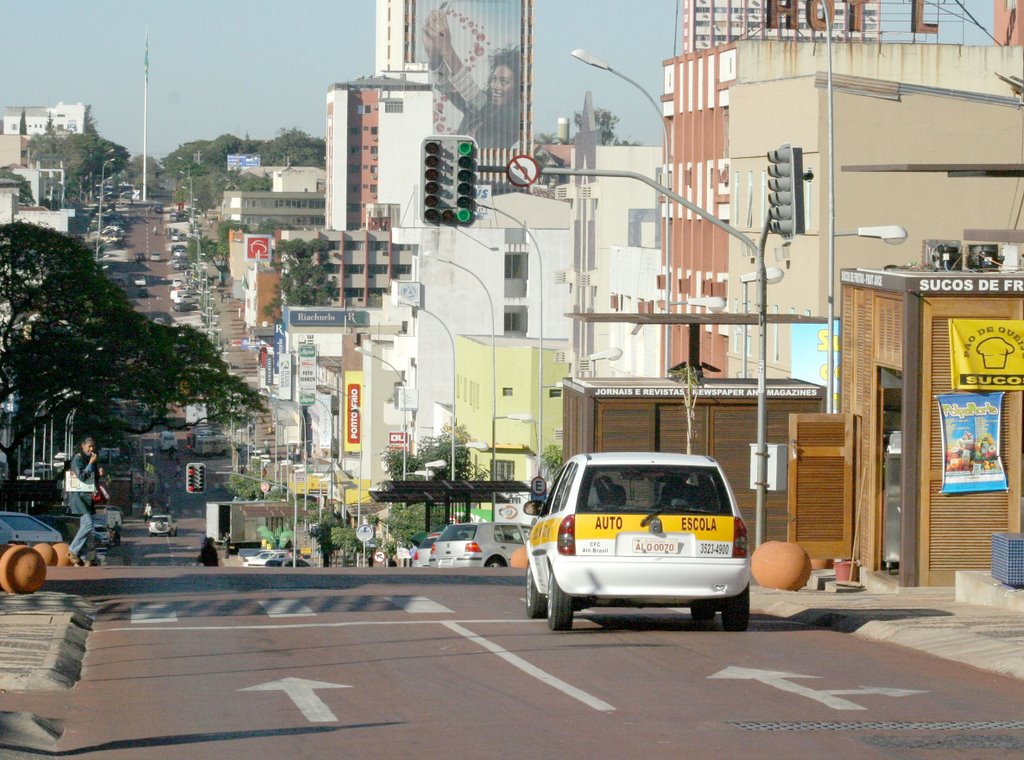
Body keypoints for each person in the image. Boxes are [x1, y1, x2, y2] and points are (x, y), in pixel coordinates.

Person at [423, 9, 521, 150]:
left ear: (518, 87)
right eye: (494, 79)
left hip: (488, 171)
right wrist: (433, 55)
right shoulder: (477, 107)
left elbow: (476, 98)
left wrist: (447, 50)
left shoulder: (516, 118)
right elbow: (449, 87)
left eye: (504, 82)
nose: (495, 86)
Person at [68, 436, 102, 567]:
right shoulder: (77, 459)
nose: (91, 449)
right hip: (79, 497)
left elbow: (92, 479)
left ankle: (84, 557)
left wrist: (98, 473)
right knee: (88, 523)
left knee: (87, 527)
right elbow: (82, 476)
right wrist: (90, 464)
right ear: (83, 446)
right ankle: (73, 550)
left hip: (87, 497)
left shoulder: (90, 460)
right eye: (89, 447)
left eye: (93, 447)